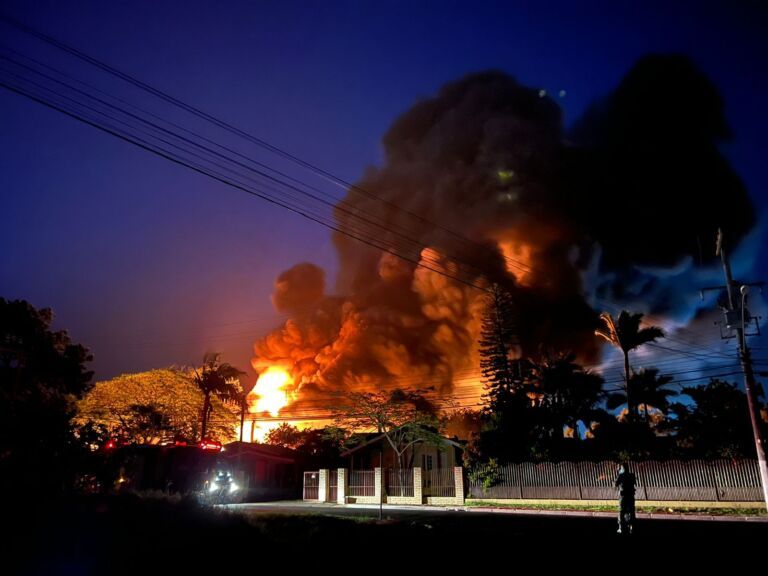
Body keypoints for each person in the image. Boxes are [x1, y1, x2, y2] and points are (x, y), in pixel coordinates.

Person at [614, 462, 636, 534]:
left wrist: (617, 474)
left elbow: (615, 485)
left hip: (623, 496)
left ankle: (620, 528)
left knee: (621, 511)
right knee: (632, 511)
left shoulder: (621, 475)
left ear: (622, 468)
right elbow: (635, 484)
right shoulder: (632, 475)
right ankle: (632, 527)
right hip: (631, 496)